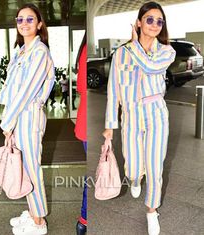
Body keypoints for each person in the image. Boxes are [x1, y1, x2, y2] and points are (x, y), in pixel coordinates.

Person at [103, 2, 176, 235]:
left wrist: (134, 45)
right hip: (131, 116)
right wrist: (109, 126)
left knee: (156, 167)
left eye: (159, 21)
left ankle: (152, 211)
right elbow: (113, 90)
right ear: (139, 22)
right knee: (133, 168)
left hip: (156, 113)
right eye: (150, 19)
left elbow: (151, 67)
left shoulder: (166, 51)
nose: (155, 24)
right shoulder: (121, 53)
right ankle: (135, 179)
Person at [0, 3, 55, 235]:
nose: (24, 23)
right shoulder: (22, 51)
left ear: (39, 24)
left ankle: (39, 223)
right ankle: (32, 213)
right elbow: (12, 89)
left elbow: (27, 91)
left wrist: (7, 122)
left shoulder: (40, 52)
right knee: (24, 166)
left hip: (27, 116)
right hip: (19, 114)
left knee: (31, 169)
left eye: (30, 19)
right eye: (20, 19)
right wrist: (8, 118)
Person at [74, 33, 87, 235]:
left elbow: (80, 86)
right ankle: (84, 219)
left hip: (86, 121)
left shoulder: (83, 48)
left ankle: (84, 220)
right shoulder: (86, 49)